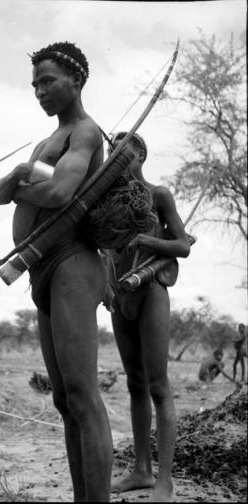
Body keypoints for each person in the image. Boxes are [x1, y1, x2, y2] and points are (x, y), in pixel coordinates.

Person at [0, 41, 112, 502]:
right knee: (64, 401)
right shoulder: (46, 142)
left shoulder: (84, 132)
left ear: (76, 81)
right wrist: (19, 178)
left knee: (83, 396)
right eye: (35, 84)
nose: (39, 91)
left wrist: (21, 181)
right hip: (41, 270)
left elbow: (62, 192)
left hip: (73, 264)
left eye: (48, 81)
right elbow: (1, 194)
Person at [106, 132, 190, 502]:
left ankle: (164, 481)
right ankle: (141, 470)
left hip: (151, 291)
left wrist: (149, 242)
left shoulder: (159, 195)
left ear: (140, 155)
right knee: (134, 383)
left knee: (158, 385)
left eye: (122, 153)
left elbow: (183, 245)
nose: (115, 159)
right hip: (119, 297)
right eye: (111, 153)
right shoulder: (106, 202)